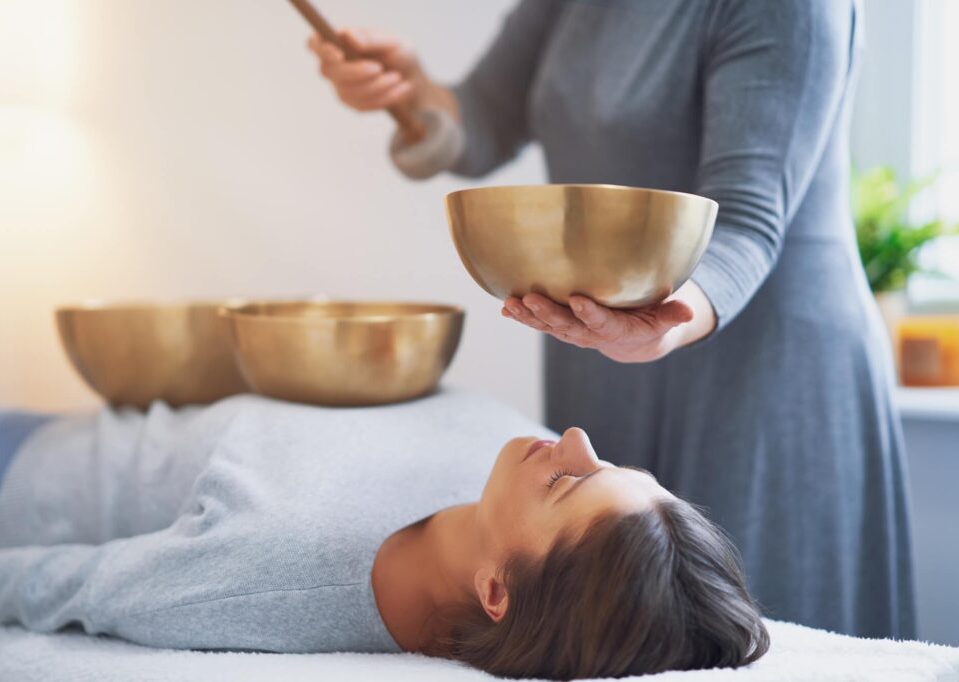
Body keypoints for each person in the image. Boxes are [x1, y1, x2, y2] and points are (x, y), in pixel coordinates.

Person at [307, 0, 915, 638]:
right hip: (604, 342)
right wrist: (413, 94)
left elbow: (746, 220)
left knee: (741, 636)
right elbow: (485, 117)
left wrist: (665, 325)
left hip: (756, 364)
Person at [0, 391, 767, 679]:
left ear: (497, 590)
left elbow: (82, 586)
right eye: (610, 464)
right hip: (91, 415)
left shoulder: (278, 569)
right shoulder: (515, 469)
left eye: (571, 481)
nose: (574, 440)